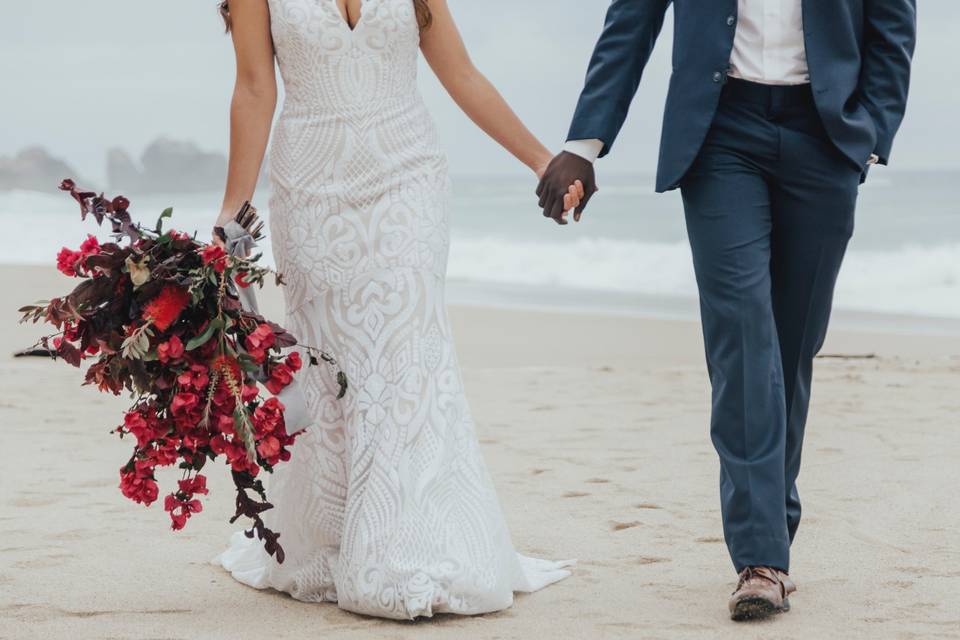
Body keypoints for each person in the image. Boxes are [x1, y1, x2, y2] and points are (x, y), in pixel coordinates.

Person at [537, 0, 916, 621]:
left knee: (791, 350)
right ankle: (762, 561)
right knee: (743, 338)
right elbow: (632, 20)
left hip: (826, 137)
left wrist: (871, 134)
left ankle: (770, 526)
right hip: (720, 132)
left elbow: (894, 19)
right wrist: (584, 142)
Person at [211, 0, 579, 619]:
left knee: (406, 356)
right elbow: (253, 88)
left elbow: (460, 72)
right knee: (332, 368)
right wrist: (233, 213)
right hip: (310, 190)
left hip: (408, 178)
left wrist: (543, 161)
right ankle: (332, 537)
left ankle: (406, 549)